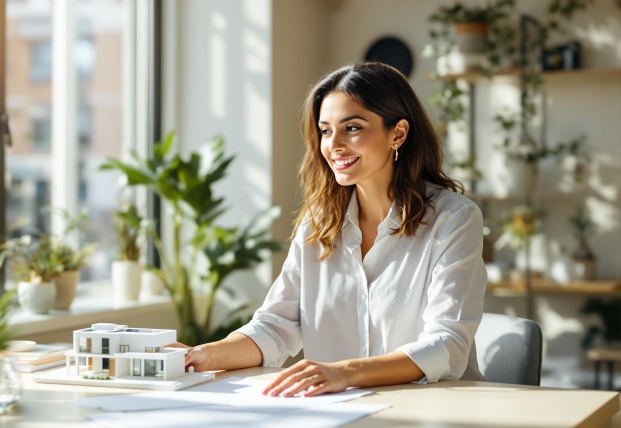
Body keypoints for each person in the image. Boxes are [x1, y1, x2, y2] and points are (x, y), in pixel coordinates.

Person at [170, 62, 487, 397]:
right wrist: (201, 356)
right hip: (340, 408)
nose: (333, 144)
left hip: (435, 408)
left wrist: (344, 372)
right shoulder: (319, 222)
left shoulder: (454, 219)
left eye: (352, 128)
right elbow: (276, 325)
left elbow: (447, 345)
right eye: (325, 130)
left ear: (398, 133)